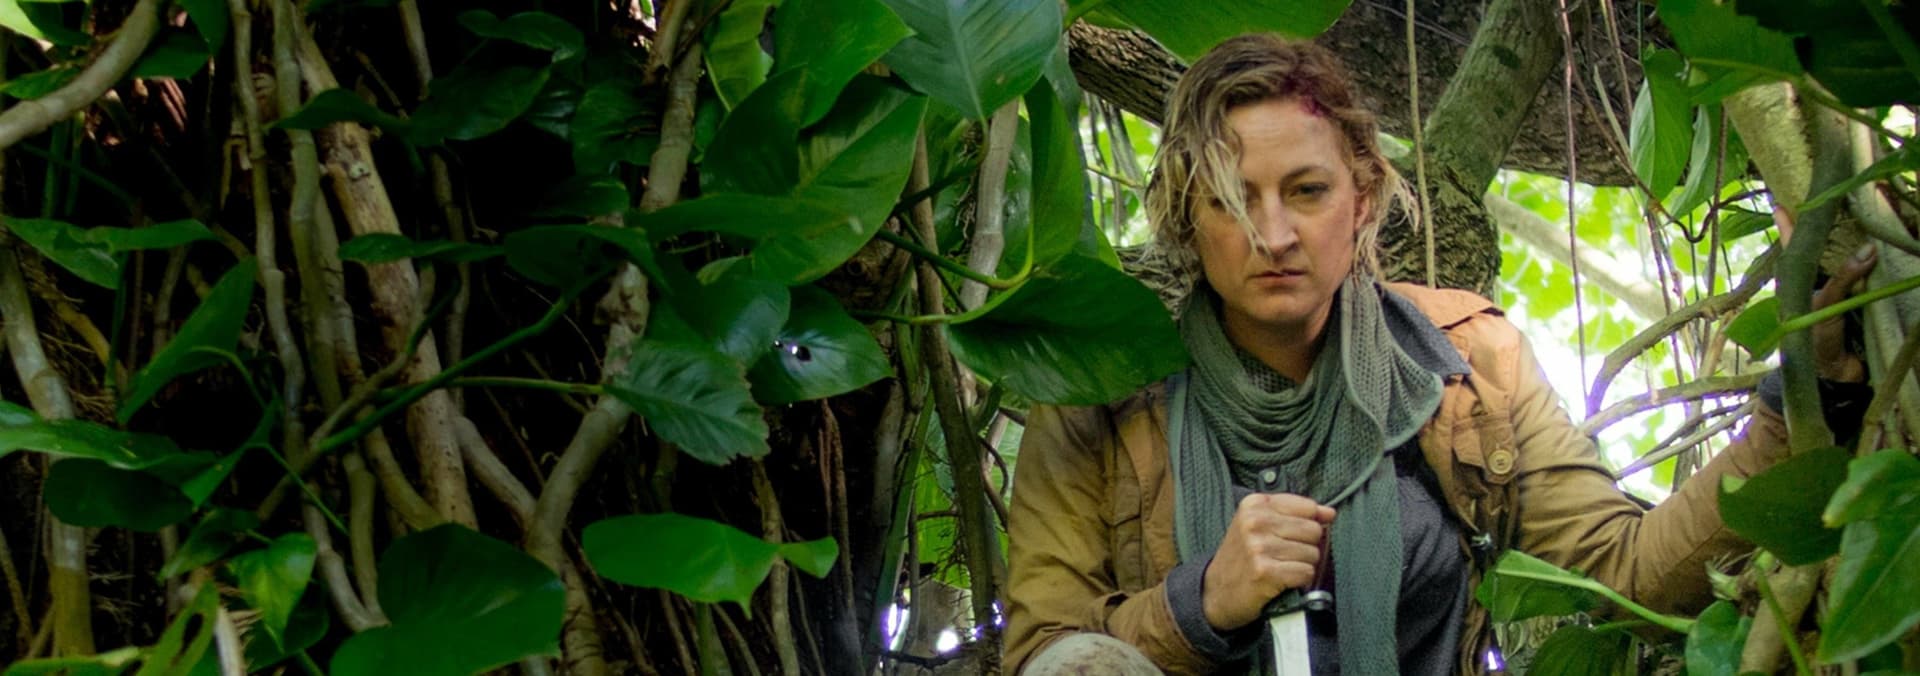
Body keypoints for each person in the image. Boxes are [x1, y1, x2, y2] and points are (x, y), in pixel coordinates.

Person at [1001, 34, 1874, 675]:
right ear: (1187, 214)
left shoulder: (1468, 360)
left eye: (1306, 191)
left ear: (1362, 198)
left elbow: (1626, 571)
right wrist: (1203, 603)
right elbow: (1044, 652)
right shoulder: (1098, 390)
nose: (1274, 234)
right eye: (1233, 200)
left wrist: (1797, 396)